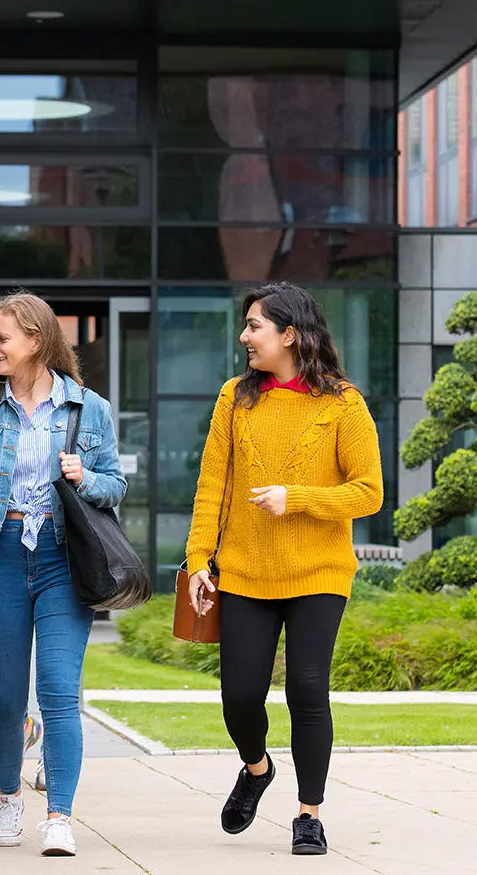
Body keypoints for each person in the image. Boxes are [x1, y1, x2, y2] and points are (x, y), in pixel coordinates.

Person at [183, 282, 383, 857]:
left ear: (289, 334)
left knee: (307, 688)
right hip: (244, 571)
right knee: (240, 695)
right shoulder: (234, 398)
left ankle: (308, 814)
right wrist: (199, 560)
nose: (244, 337)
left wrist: (297, 498)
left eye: (254, 327)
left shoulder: (343, 403)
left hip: (319, 571)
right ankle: (256, 767)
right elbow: (212, 487)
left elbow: (369, 493)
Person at [0, 291, 126, 858]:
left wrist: (84, 477)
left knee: (58, 693)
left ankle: (59, 816)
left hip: (60, 561)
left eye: (1, 337)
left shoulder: (88, 409)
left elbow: (115, 484)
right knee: (3, 700)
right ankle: (7, 799)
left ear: (36, 340)